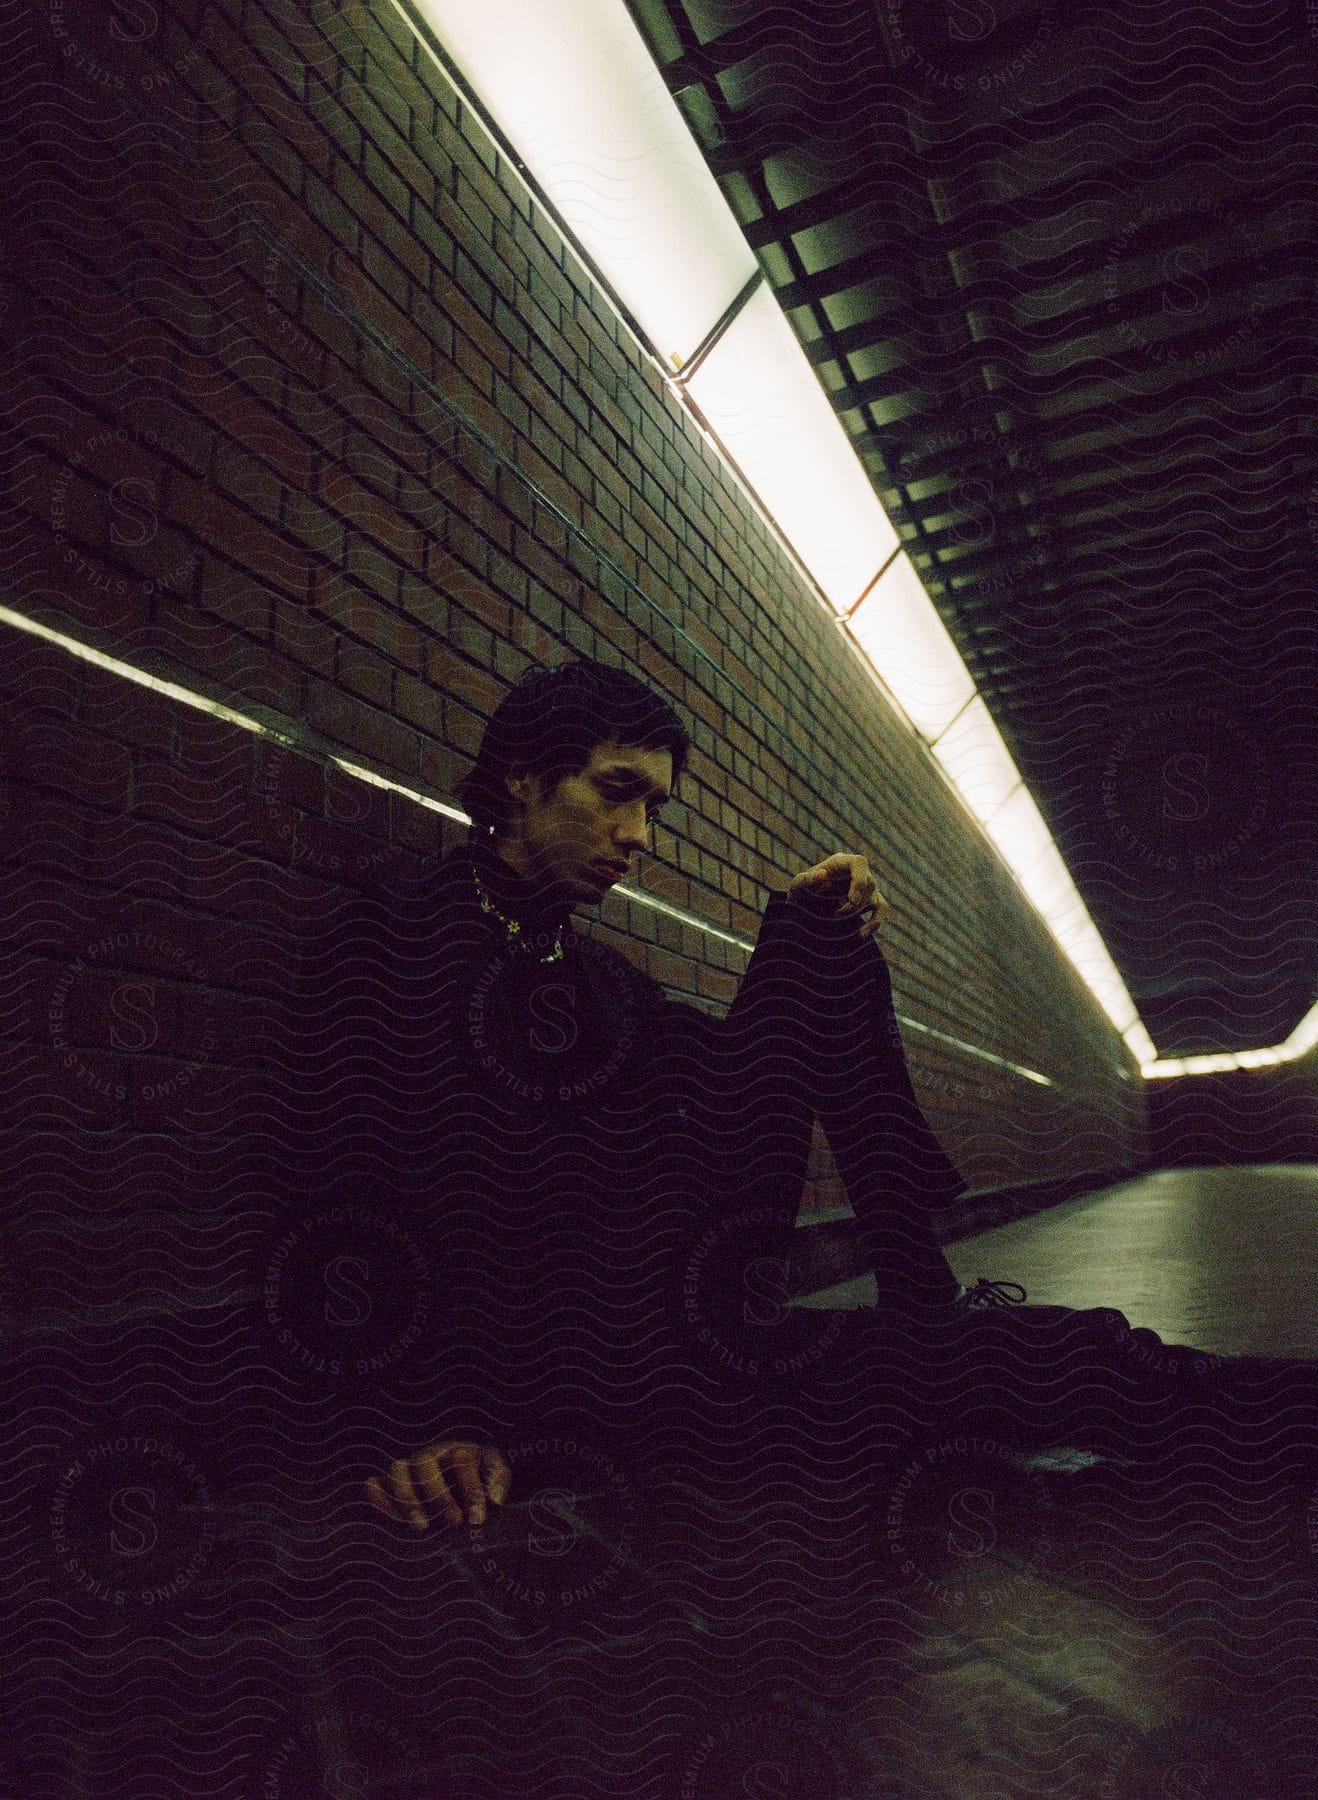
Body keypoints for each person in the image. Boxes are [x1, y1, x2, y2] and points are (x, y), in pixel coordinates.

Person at [337, 658, 1311, 1534]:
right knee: (1032, 1368)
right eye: (616, 794)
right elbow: (362, 1192)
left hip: (693, 1327)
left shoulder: (596, 975)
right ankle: (927, 1306)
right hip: (579, 1386)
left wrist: (809, 933)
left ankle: (926, 1297)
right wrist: (433, 1423)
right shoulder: (407, 938)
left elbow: (733, 1090)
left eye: (655, 810)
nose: (636, 836)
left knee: (1074, 1355)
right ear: (521, 776)